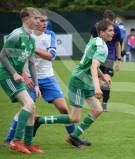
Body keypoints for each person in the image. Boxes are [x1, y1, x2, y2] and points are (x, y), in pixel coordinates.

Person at [4, 12, 91, 147]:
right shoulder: (24, 35)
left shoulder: (49, 35)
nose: (45, 23)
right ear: (35, 21)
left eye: (46, 21)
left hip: (48, 78)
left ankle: (73, 137)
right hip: (30, 79)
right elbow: (15, 59)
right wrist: (24, 75)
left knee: (63, 108)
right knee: (26, 108)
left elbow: (52, 56)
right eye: (42, 21)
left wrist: (33, 48)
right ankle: (9, 139)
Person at [34, 20, 113, 148]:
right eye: (110, 30)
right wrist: (98, 87)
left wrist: (103, 76)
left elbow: (90, 63)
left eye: (112, 30)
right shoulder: (102, 47)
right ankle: (39, 120)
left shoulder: (96, 41)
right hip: (79, 81)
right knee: (74, 118)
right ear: (102, 33)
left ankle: (73, 136)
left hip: (86, 81)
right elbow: (93, 66)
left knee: (98, 110)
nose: (113, 33)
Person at [0, 7, 42, 154]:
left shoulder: (30, 39)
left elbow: (31, 64)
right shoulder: (16, 35)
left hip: (15, 75)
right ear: (26, 19)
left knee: (32, 108)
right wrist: (14, 73)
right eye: (35, 18)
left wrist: (36, 85)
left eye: (39, 19)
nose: (38, 21)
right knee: (29, 104)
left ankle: (28, 143)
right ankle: (15, 141)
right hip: (6, 74)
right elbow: (2, 55)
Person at [90, 10, 122, 112]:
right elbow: (91, 40)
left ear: (113, 21)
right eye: (107, 21)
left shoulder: (116, 29)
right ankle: (97, 102)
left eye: (110, 22)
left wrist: (119, 60)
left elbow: (117, 44)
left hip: (109, 57)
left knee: (107, 80)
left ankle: (105, 103)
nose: (109, 24)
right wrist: (89, 55)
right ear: (103, 19)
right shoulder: (96, 27)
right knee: (99, 81)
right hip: (97, 56)